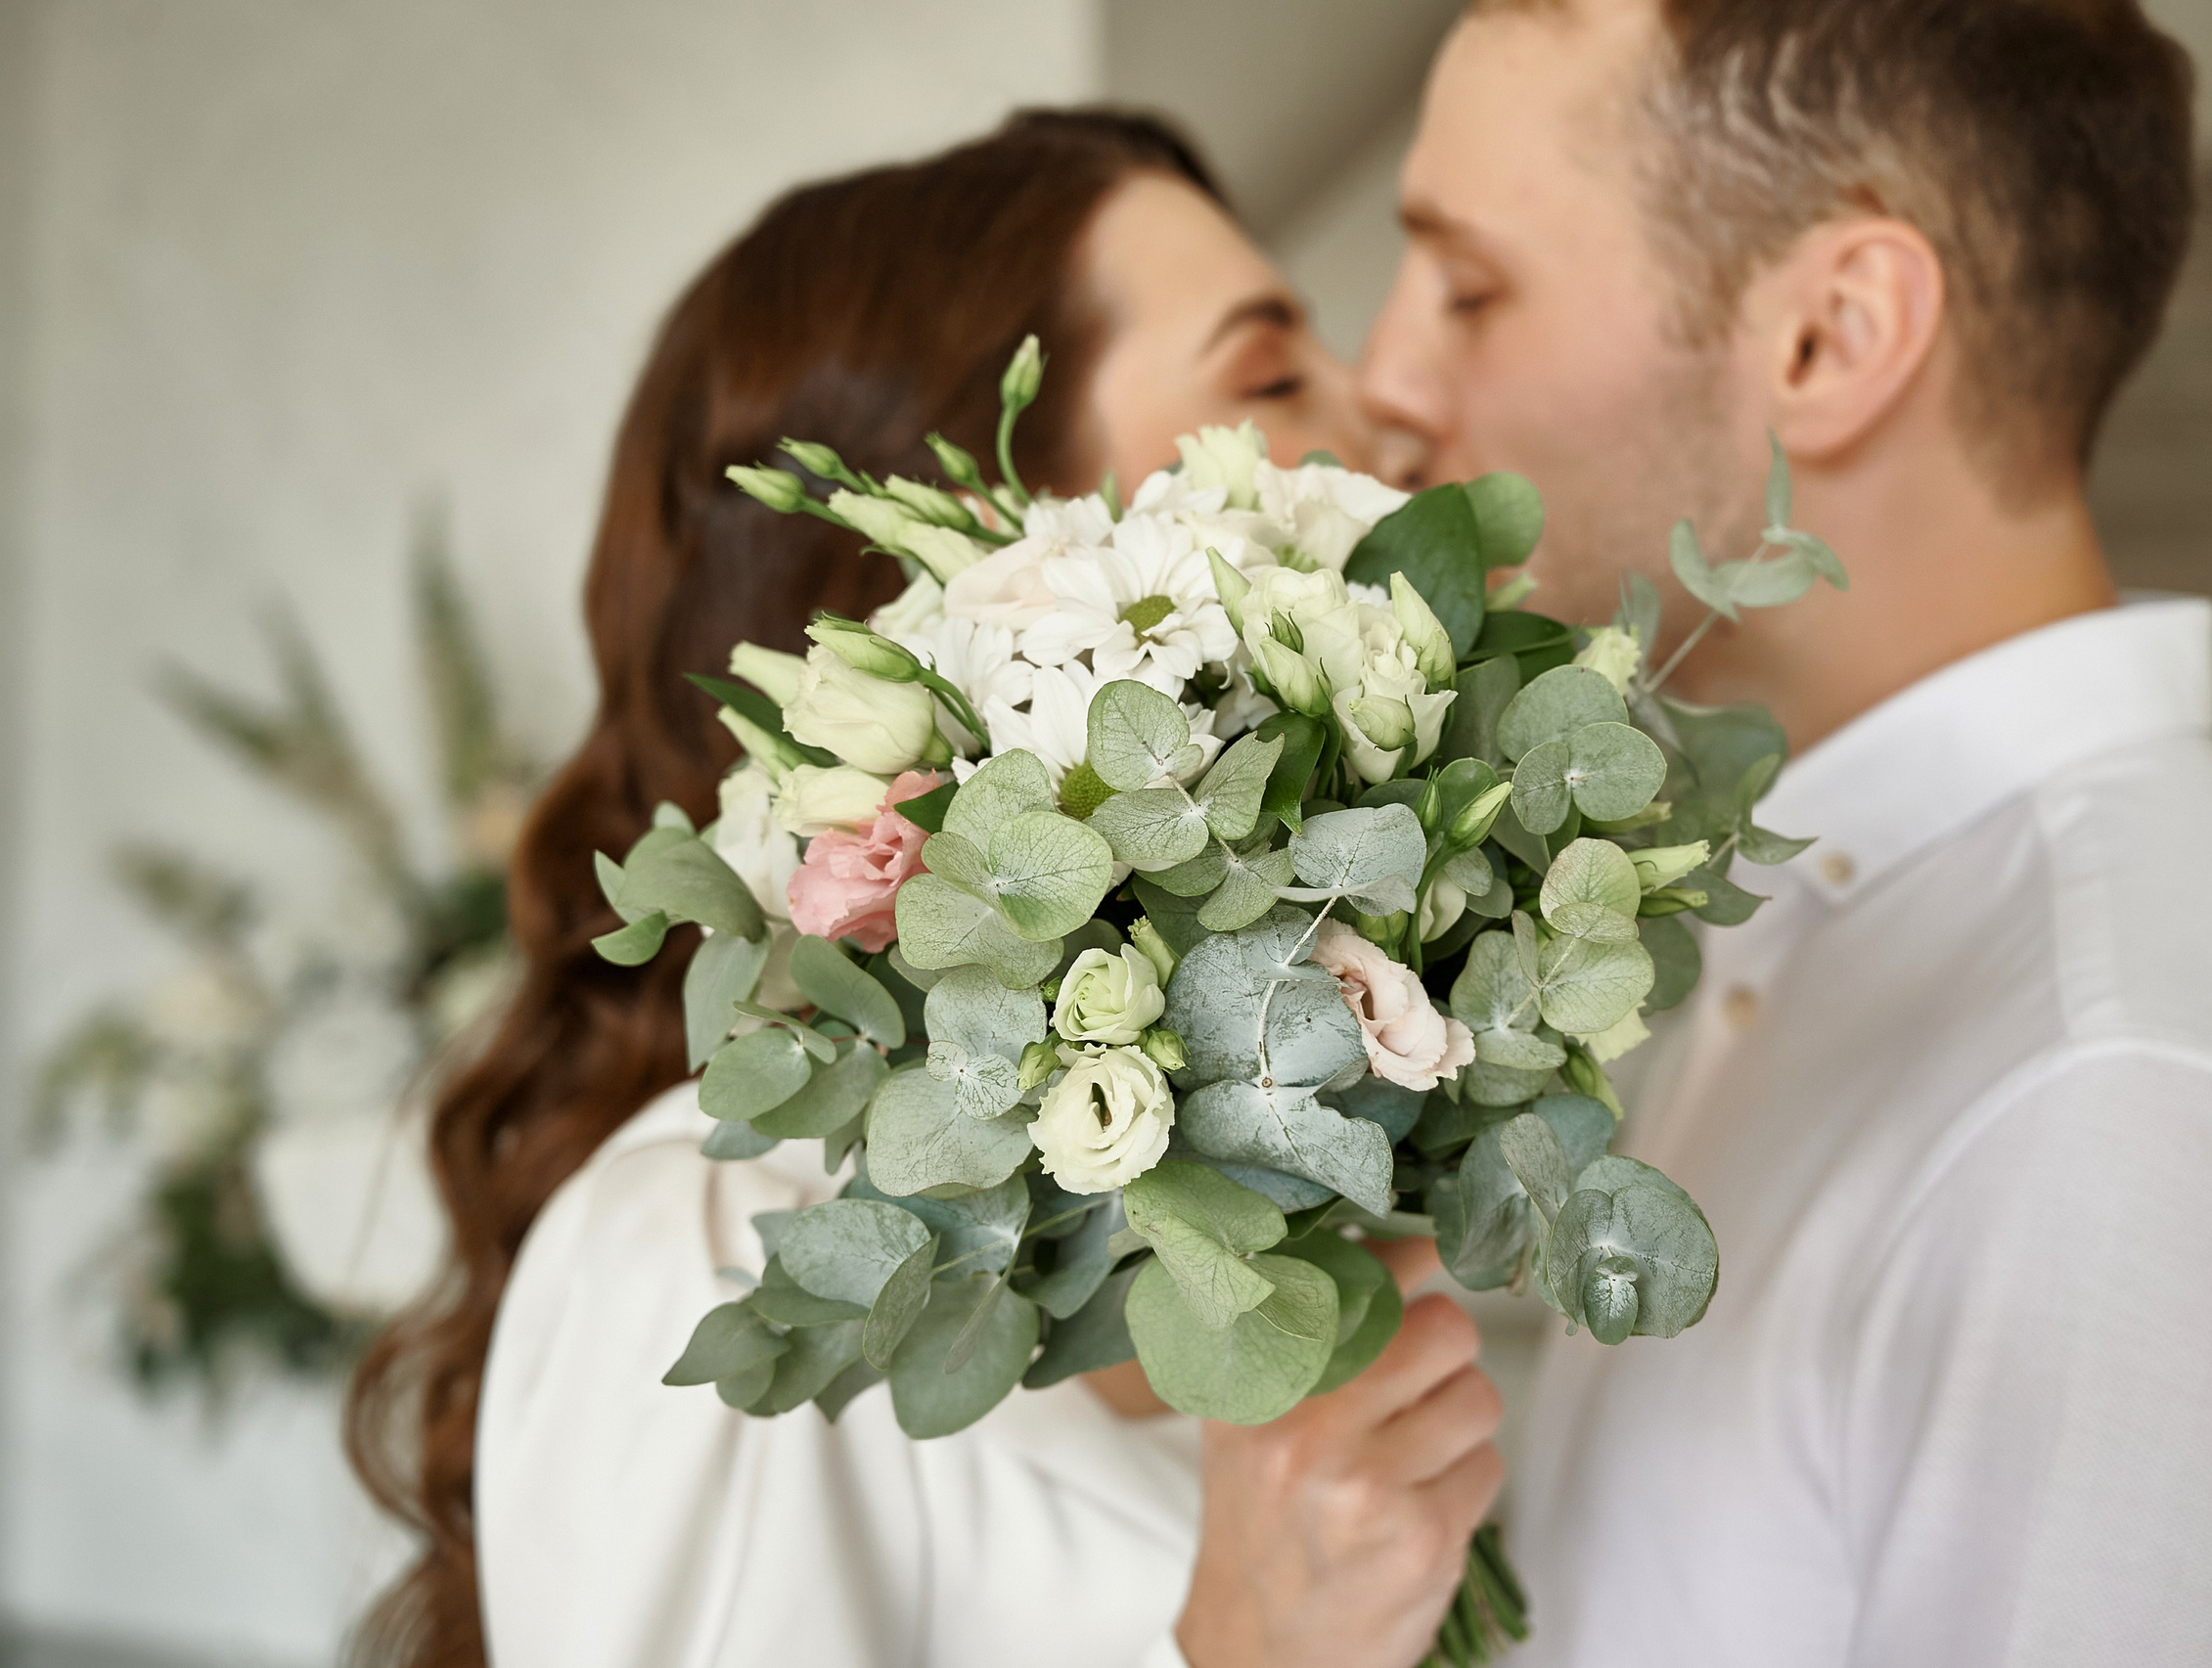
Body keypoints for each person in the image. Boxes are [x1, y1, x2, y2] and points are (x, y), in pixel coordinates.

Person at [1360, 2, 2212, 1664]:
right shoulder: (1825, 907)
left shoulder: (2126, 1117)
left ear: (1830, 337)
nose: (1387, 382)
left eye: (1472, 287)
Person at [347, 110, 1503, 1668]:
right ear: (992, 571)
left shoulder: (1331, 1157)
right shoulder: (714, 1257)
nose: (1400, 417)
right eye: (1271, 375)